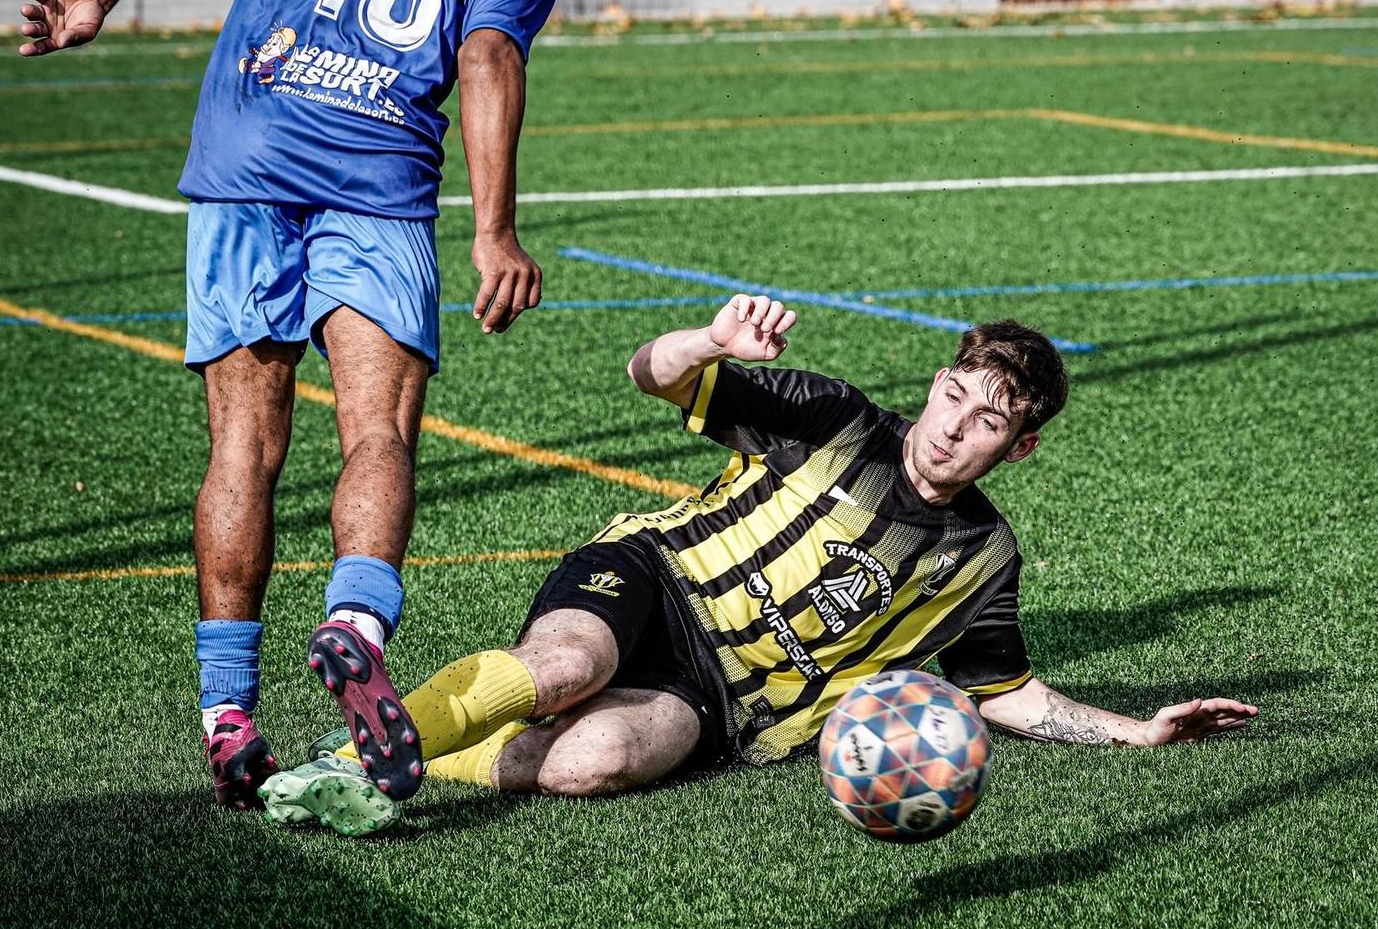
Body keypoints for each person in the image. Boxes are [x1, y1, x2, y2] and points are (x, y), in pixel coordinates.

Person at [15, 0, 571, 810]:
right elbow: (486, 52)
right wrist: (494, 230)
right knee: (377, 432)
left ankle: (227, 716)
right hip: (378, 181)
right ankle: (354, 627)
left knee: (241, 446)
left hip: (245, 156)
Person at [260, 296, 1258, 836]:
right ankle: (351, 759)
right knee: (565, 670)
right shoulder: (829, 416)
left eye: (987, 420)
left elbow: (1002, 688)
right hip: (650, 573)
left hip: (721, 702)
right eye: (955, 395)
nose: (955, 427)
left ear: (1017, 446)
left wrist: (1140, 733)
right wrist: (708, 340)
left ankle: (421, 742)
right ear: (936, 381)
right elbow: (647, 373)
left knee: (585, 763)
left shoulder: (981, 555)